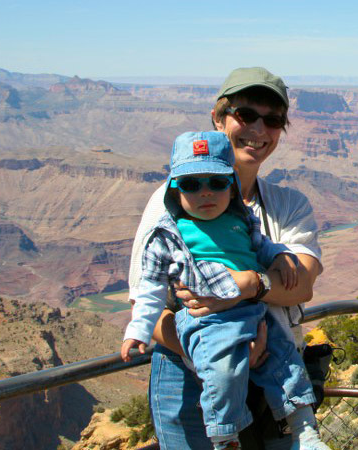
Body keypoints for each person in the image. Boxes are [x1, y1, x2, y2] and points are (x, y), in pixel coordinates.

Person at [128, 68, 325, 449]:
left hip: (274, 370)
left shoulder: (290, 205)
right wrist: (223, 357)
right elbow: (145, 303)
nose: (259, 129)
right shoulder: (169, 205)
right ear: (218, 119)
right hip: (191, 378)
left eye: (272, 120)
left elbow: (301, 285)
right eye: (245, 115)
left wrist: (249, 284)